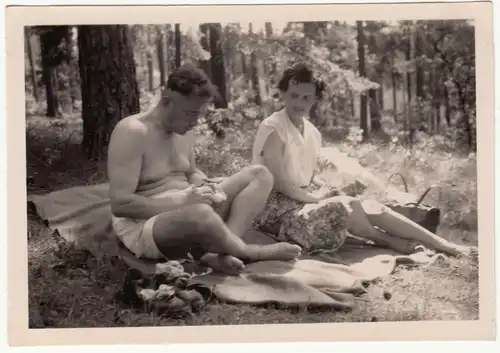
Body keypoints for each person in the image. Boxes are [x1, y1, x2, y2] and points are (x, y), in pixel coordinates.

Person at [251, 62, 476, 257]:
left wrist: (329, 189)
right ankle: (384, 240)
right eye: (294, 95)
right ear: (283, 93)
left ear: (315, 99)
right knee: (345, 205)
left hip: (302, 199)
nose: (299, 103)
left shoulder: (312, 132)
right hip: (277, 211)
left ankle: (445, 245)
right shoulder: (273, 128)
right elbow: (279, 182)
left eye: (306, 98)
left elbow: (307, 176)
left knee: (369, 205)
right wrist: (316, 198)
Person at [107, 64, 301, 276]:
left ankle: (224, 250)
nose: (195, 122)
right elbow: (121, 204)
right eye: (191, 114)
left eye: (199, 115)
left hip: (192, 206)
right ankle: (247, 251)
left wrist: (205, 184)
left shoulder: (183, 130)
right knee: (200, 213)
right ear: (166, 102)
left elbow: (190, 172)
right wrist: (182, 202)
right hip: (147, 225)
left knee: (260, 175)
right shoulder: (133, 131)